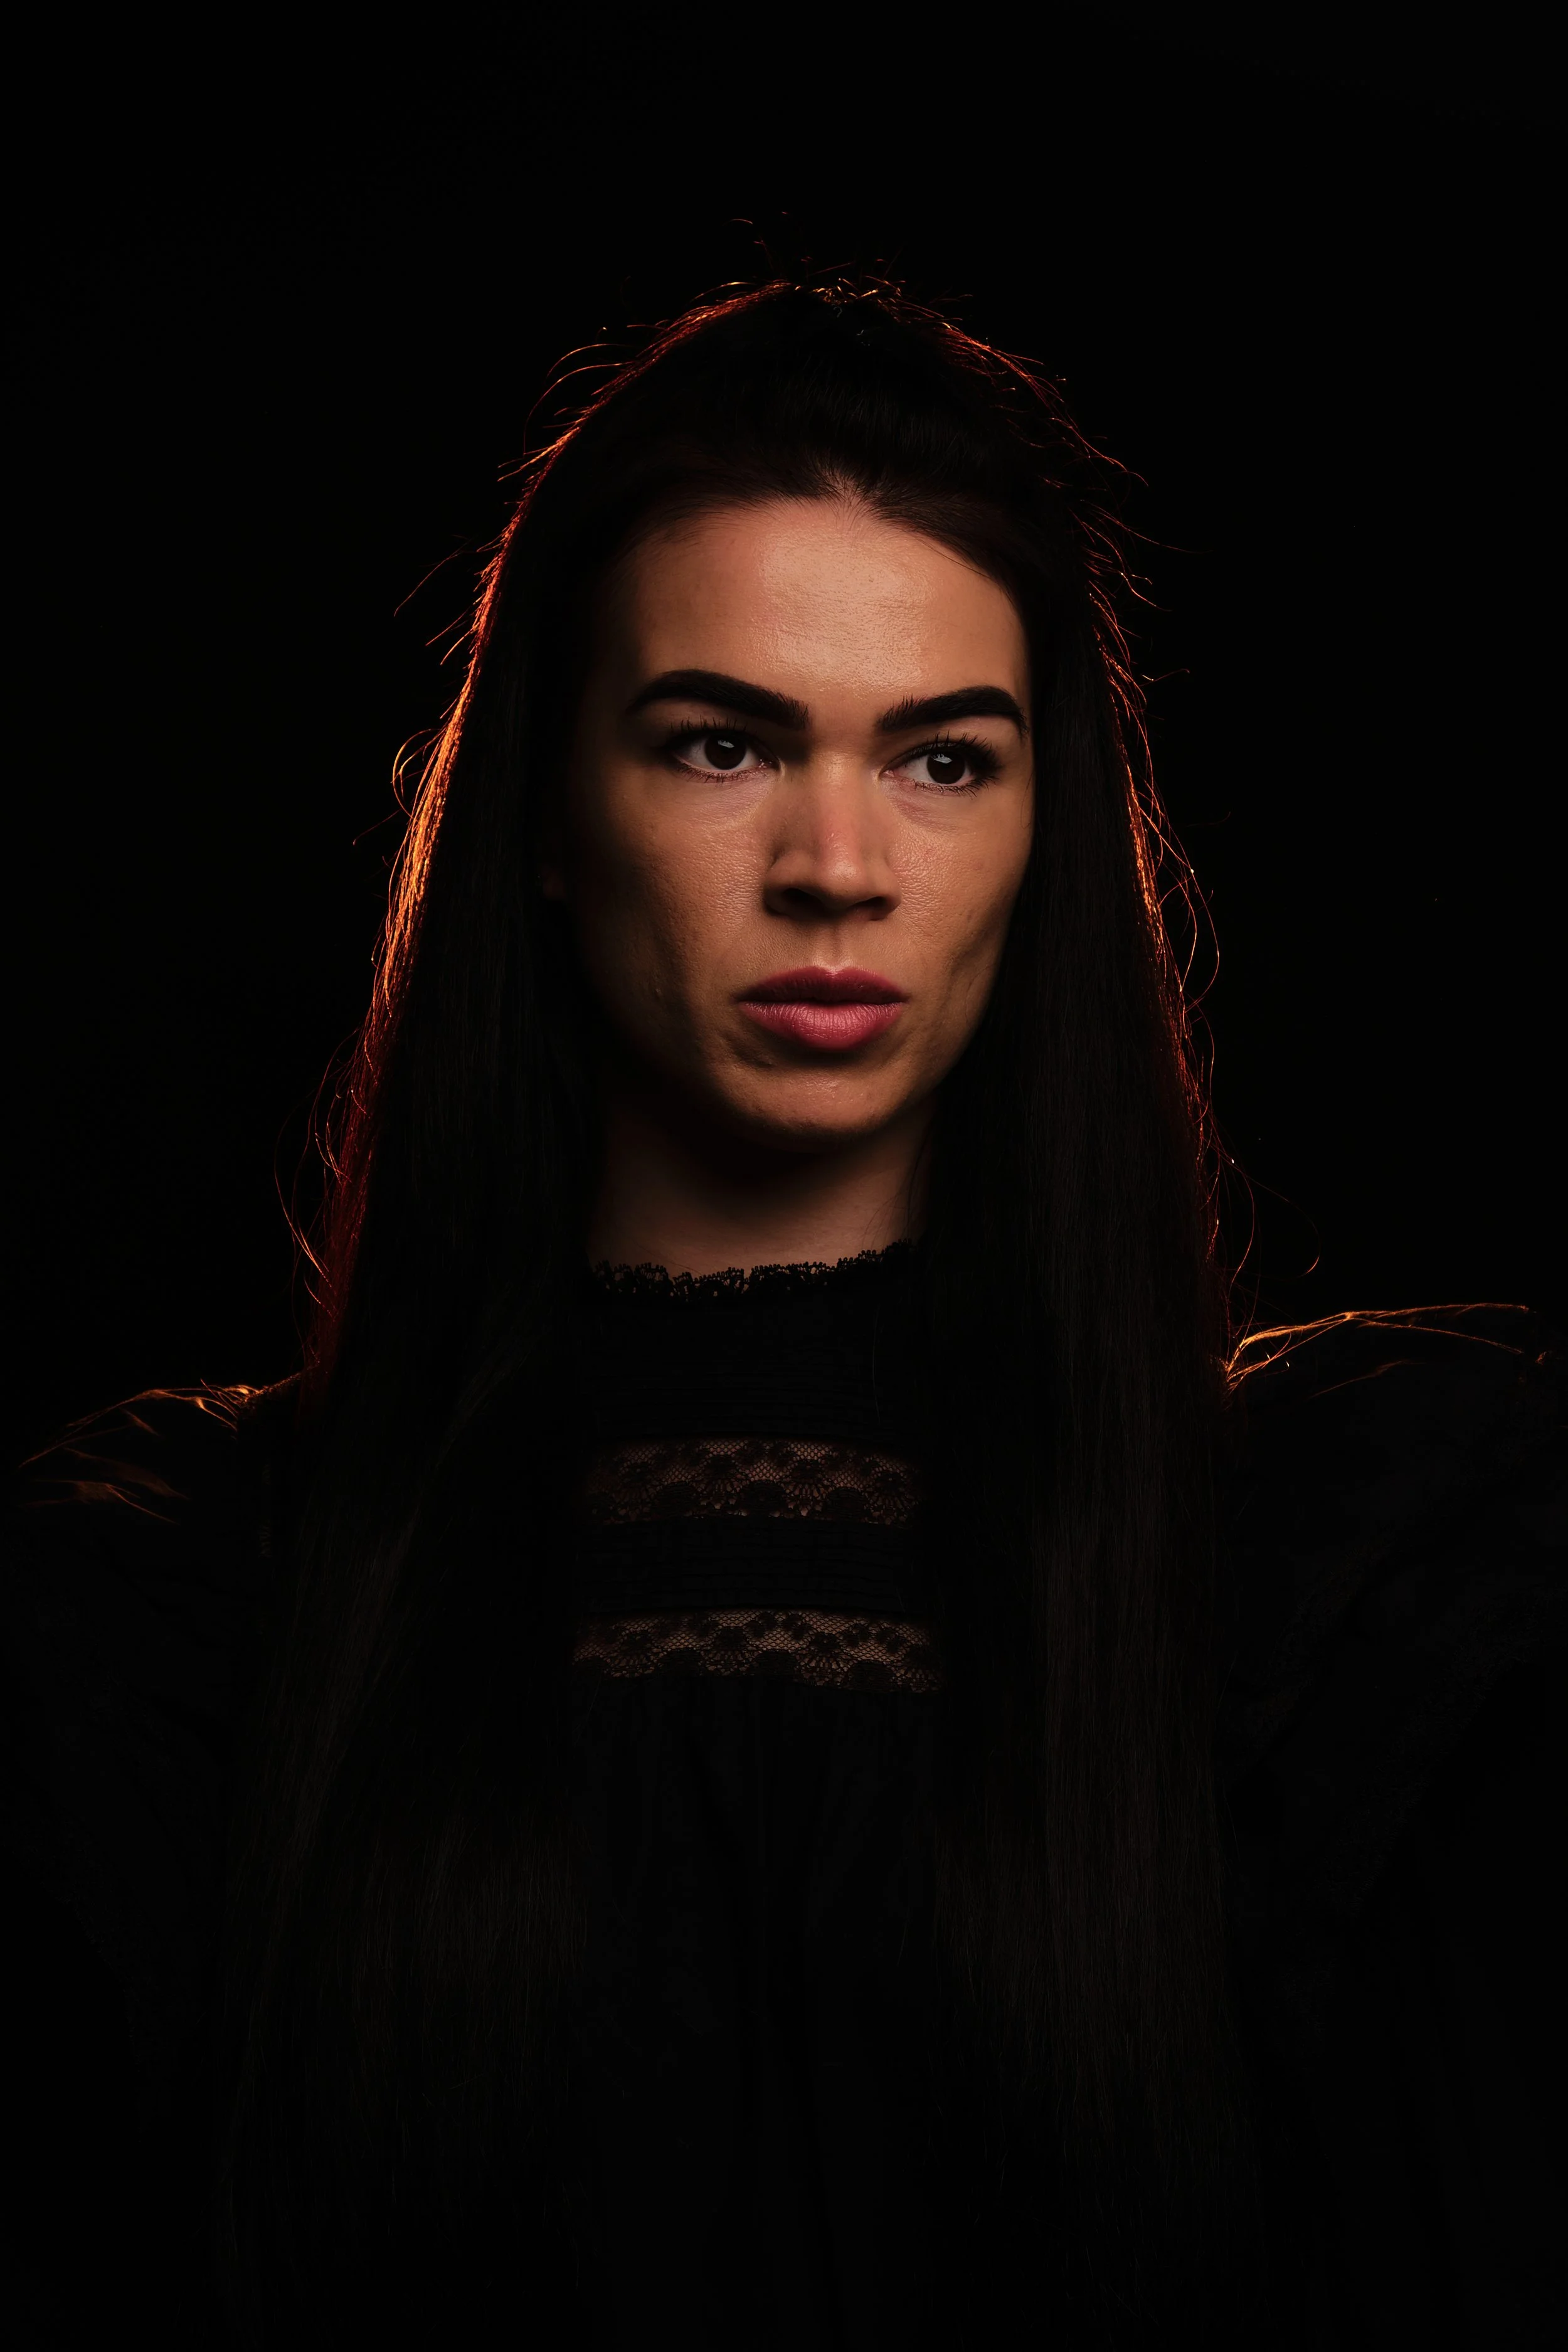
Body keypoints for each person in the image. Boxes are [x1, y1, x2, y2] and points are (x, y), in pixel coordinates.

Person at [6, 280, 1561, 2351]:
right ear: (550, 816)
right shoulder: (189, 1605)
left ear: (1041, 833)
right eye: (723, 741)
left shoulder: (1338, 1595)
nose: (836, 863)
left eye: (939, 758)